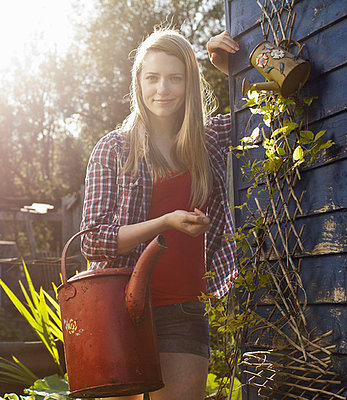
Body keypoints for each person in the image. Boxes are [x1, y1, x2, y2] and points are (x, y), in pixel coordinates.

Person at [79, 28, 239, 400]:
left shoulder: (210, 141)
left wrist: (232, 68)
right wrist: (166, 222)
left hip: (184, 310)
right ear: (138, 82)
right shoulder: (114, 149)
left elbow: (263, 108)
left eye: (174, 78)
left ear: (189, 84)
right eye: (152, 78)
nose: (162, 89)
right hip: (119, 310)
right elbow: (93, 240)